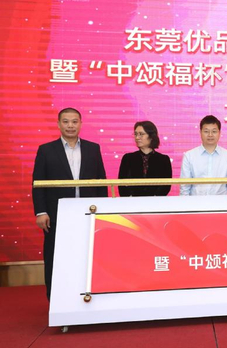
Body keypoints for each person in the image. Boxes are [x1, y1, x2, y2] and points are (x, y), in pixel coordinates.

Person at [32, 107, 107, 300]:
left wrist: (104, 212)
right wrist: (40, 212)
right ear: (58, 124)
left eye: (74, 121)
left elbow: (101, 182)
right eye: (65, 121)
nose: (70, 126)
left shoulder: (93, 149)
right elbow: (38, 183)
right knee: (55, 257)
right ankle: (55, 300)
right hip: (56, 215)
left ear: (80, 124)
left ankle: (89, 298)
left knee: (87, 257)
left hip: (88, 214)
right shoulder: (46, 150)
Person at [179, 115, 227, 196]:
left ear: (219, 133)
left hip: (221, 203)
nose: (210, 135)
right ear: (200, 132)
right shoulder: (189, 156)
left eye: (214, 131)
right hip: (196, 202)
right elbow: (184, 188)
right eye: (206, 131)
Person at [118, 121, 172, 197]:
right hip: (131, 201)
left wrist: (155, 198)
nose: (137, 137)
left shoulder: (163, 160)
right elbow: (121, 184)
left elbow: (166, 185)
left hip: (156, 201)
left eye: (141, 134)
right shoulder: (128, 158)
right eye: (135, 134)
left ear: (151, 136)